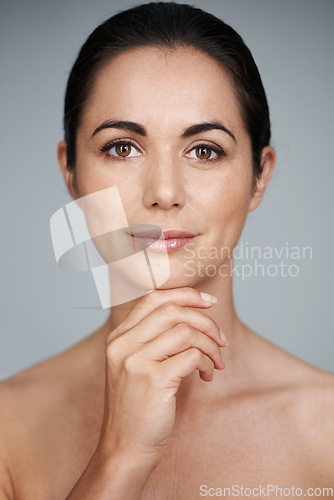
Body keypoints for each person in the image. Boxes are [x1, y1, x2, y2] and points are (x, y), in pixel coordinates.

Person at [0, 2, 333, 498]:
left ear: (259, 176)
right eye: (121, 147)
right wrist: (119, 458)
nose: (164, 191)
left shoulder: (327, 430)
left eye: (204, 150)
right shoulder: (9, 428)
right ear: (70, 171)